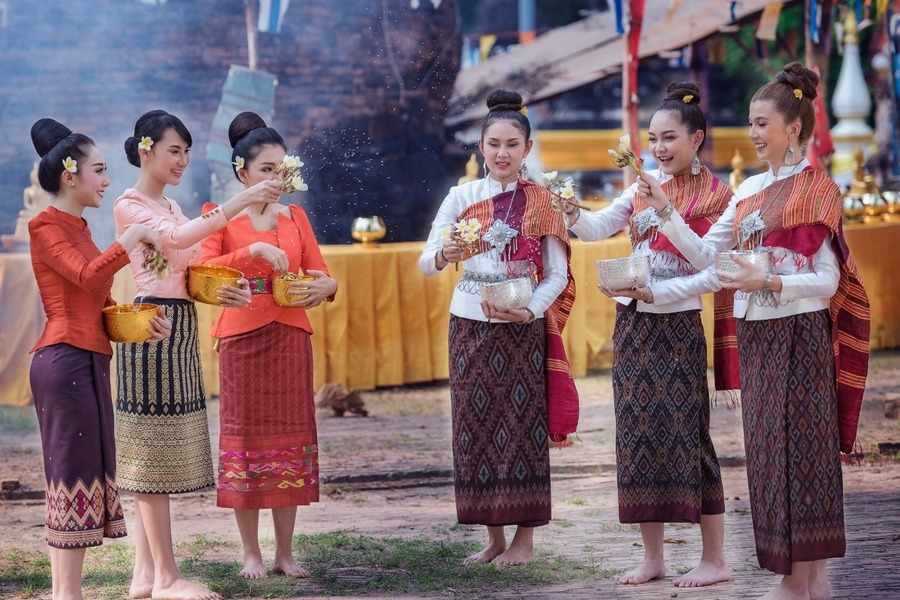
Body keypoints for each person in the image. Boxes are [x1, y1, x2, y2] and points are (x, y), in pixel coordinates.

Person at [637, 63, 871, 599]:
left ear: (793, 128)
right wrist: (666, 212)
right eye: (750, 123)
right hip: (758, 335)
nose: (753, 134)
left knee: (804, 456)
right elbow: (706, 257)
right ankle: (799, 580)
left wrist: (766, 277)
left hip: (800, 335)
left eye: (762, 123)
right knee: (767, 457)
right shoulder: (747, 191)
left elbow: (828, 280)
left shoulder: (818, 190)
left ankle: (805, 580)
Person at [558, 83, 733, 588]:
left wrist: (665, 216)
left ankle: (715, 559)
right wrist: (569, 210)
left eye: (669, 138)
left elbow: (712, 266)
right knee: (635, 437)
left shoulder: (715, 195)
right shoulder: (641, 185)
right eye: (653, 139)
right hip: (633, 324)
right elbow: (597, 230)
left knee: (689, 437)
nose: (658, 149)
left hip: (677, 326)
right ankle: (653, 557)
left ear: (696, 138)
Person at [113, 109, 282, 600]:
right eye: (174, 150)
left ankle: (145, 576)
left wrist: (221, 286)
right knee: (151, 456)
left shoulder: (171, 204)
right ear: (146, 151)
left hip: (179, 324)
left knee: (162, 453)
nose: (182, 159)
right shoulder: (131, 204)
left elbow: (189, 266)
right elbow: (174, 243)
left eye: (186, 151)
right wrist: (241, 202)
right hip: (152, 326)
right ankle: (165, 578)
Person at [418, 89, 578, 566]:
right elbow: (427, 263)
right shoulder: (461, 196)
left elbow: (556, 275)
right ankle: (493, 537)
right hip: (468, 324)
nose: (502, 153)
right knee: (477, 427)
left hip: (521, 329)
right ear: (481, 147)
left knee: (522, 427)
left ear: (527, 149)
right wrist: (446, 254)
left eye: (512, 144)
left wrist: (530, 312)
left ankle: (524, 542)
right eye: (493, 144)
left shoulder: (543, 202)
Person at [27, 118, 171, 600]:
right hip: (61, 361)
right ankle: (66, 595)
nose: (107, 181)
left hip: (86, 360)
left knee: (84, 474)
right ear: (71, 176)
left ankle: (68, 593)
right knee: (70, 475)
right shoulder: (45, 227)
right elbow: (88, 278)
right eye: (99, 170)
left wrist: (139, 324)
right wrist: (129, 241)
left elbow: (99, 303)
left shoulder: (80, 228)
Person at [197, 111, 337, 579]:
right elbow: (204, 271)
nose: (277, 179)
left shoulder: (296, 216)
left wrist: (327, 285)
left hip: (291, 336)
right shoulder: (218, 217)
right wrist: (253, 252)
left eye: (283, 169)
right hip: (241, 339)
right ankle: (251, 554)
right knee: (246, 442)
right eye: (266, 170)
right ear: (243, 173)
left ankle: (285, 552)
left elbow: (319, 269)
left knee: (290, 442)